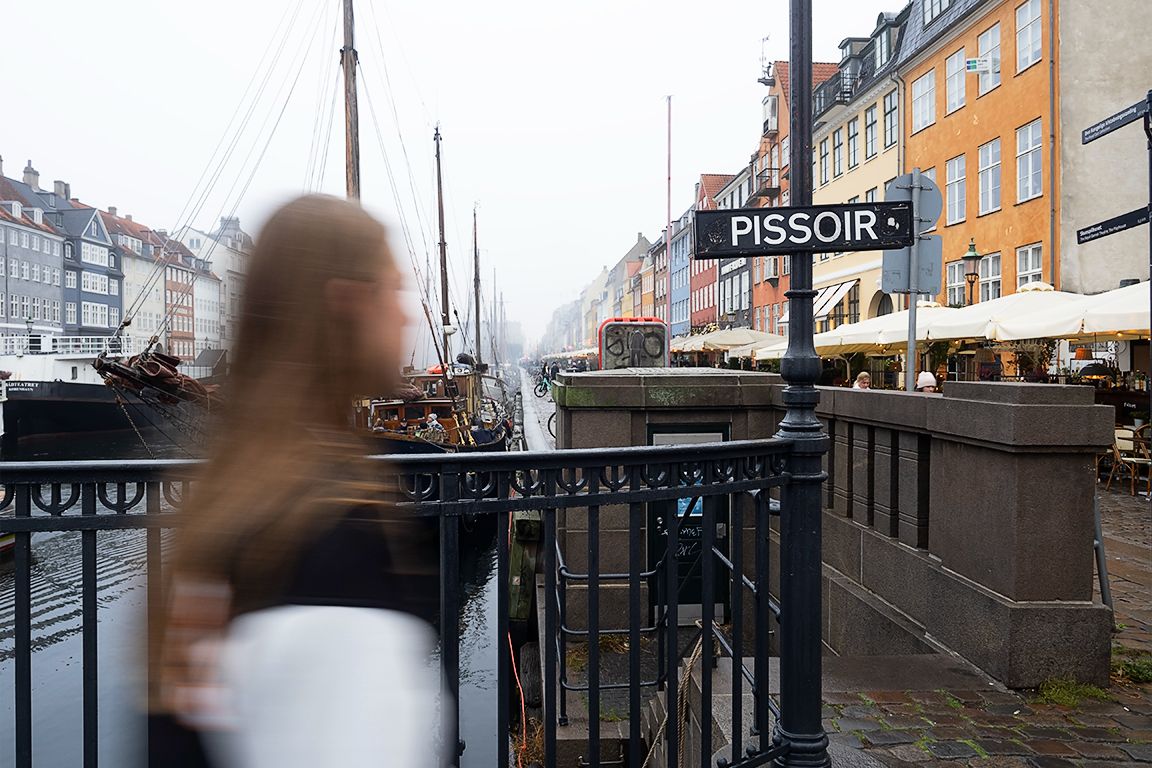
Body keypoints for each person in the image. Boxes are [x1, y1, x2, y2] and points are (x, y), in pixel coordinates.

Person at [150, 195, 442, 768]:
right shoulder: (329, 533)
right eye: (394, 289)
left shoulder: (227, 507)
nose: (408, 315)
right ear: (349, 305)